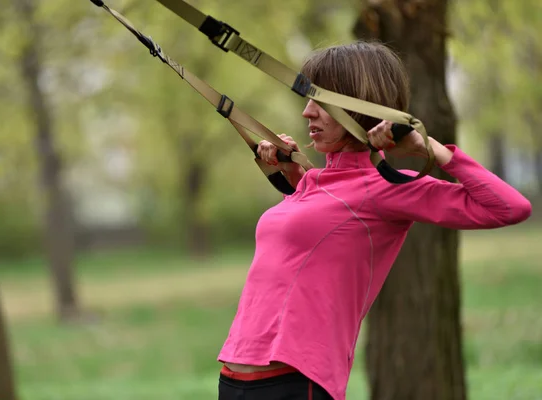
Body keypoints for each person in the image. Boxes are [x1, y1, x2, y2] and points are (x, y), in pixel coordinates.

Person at [215, 40, 532, 400]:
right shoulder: (313, 182)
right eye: (308, 99)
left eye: (320, 101)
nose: (307, 112)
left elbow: (509, 207)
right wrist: (289, 171)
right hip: (234, 376)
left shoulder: (385, 188)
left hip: (292, 382)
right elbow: (314, 243)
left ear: (359, 107)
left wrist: (431, 149)